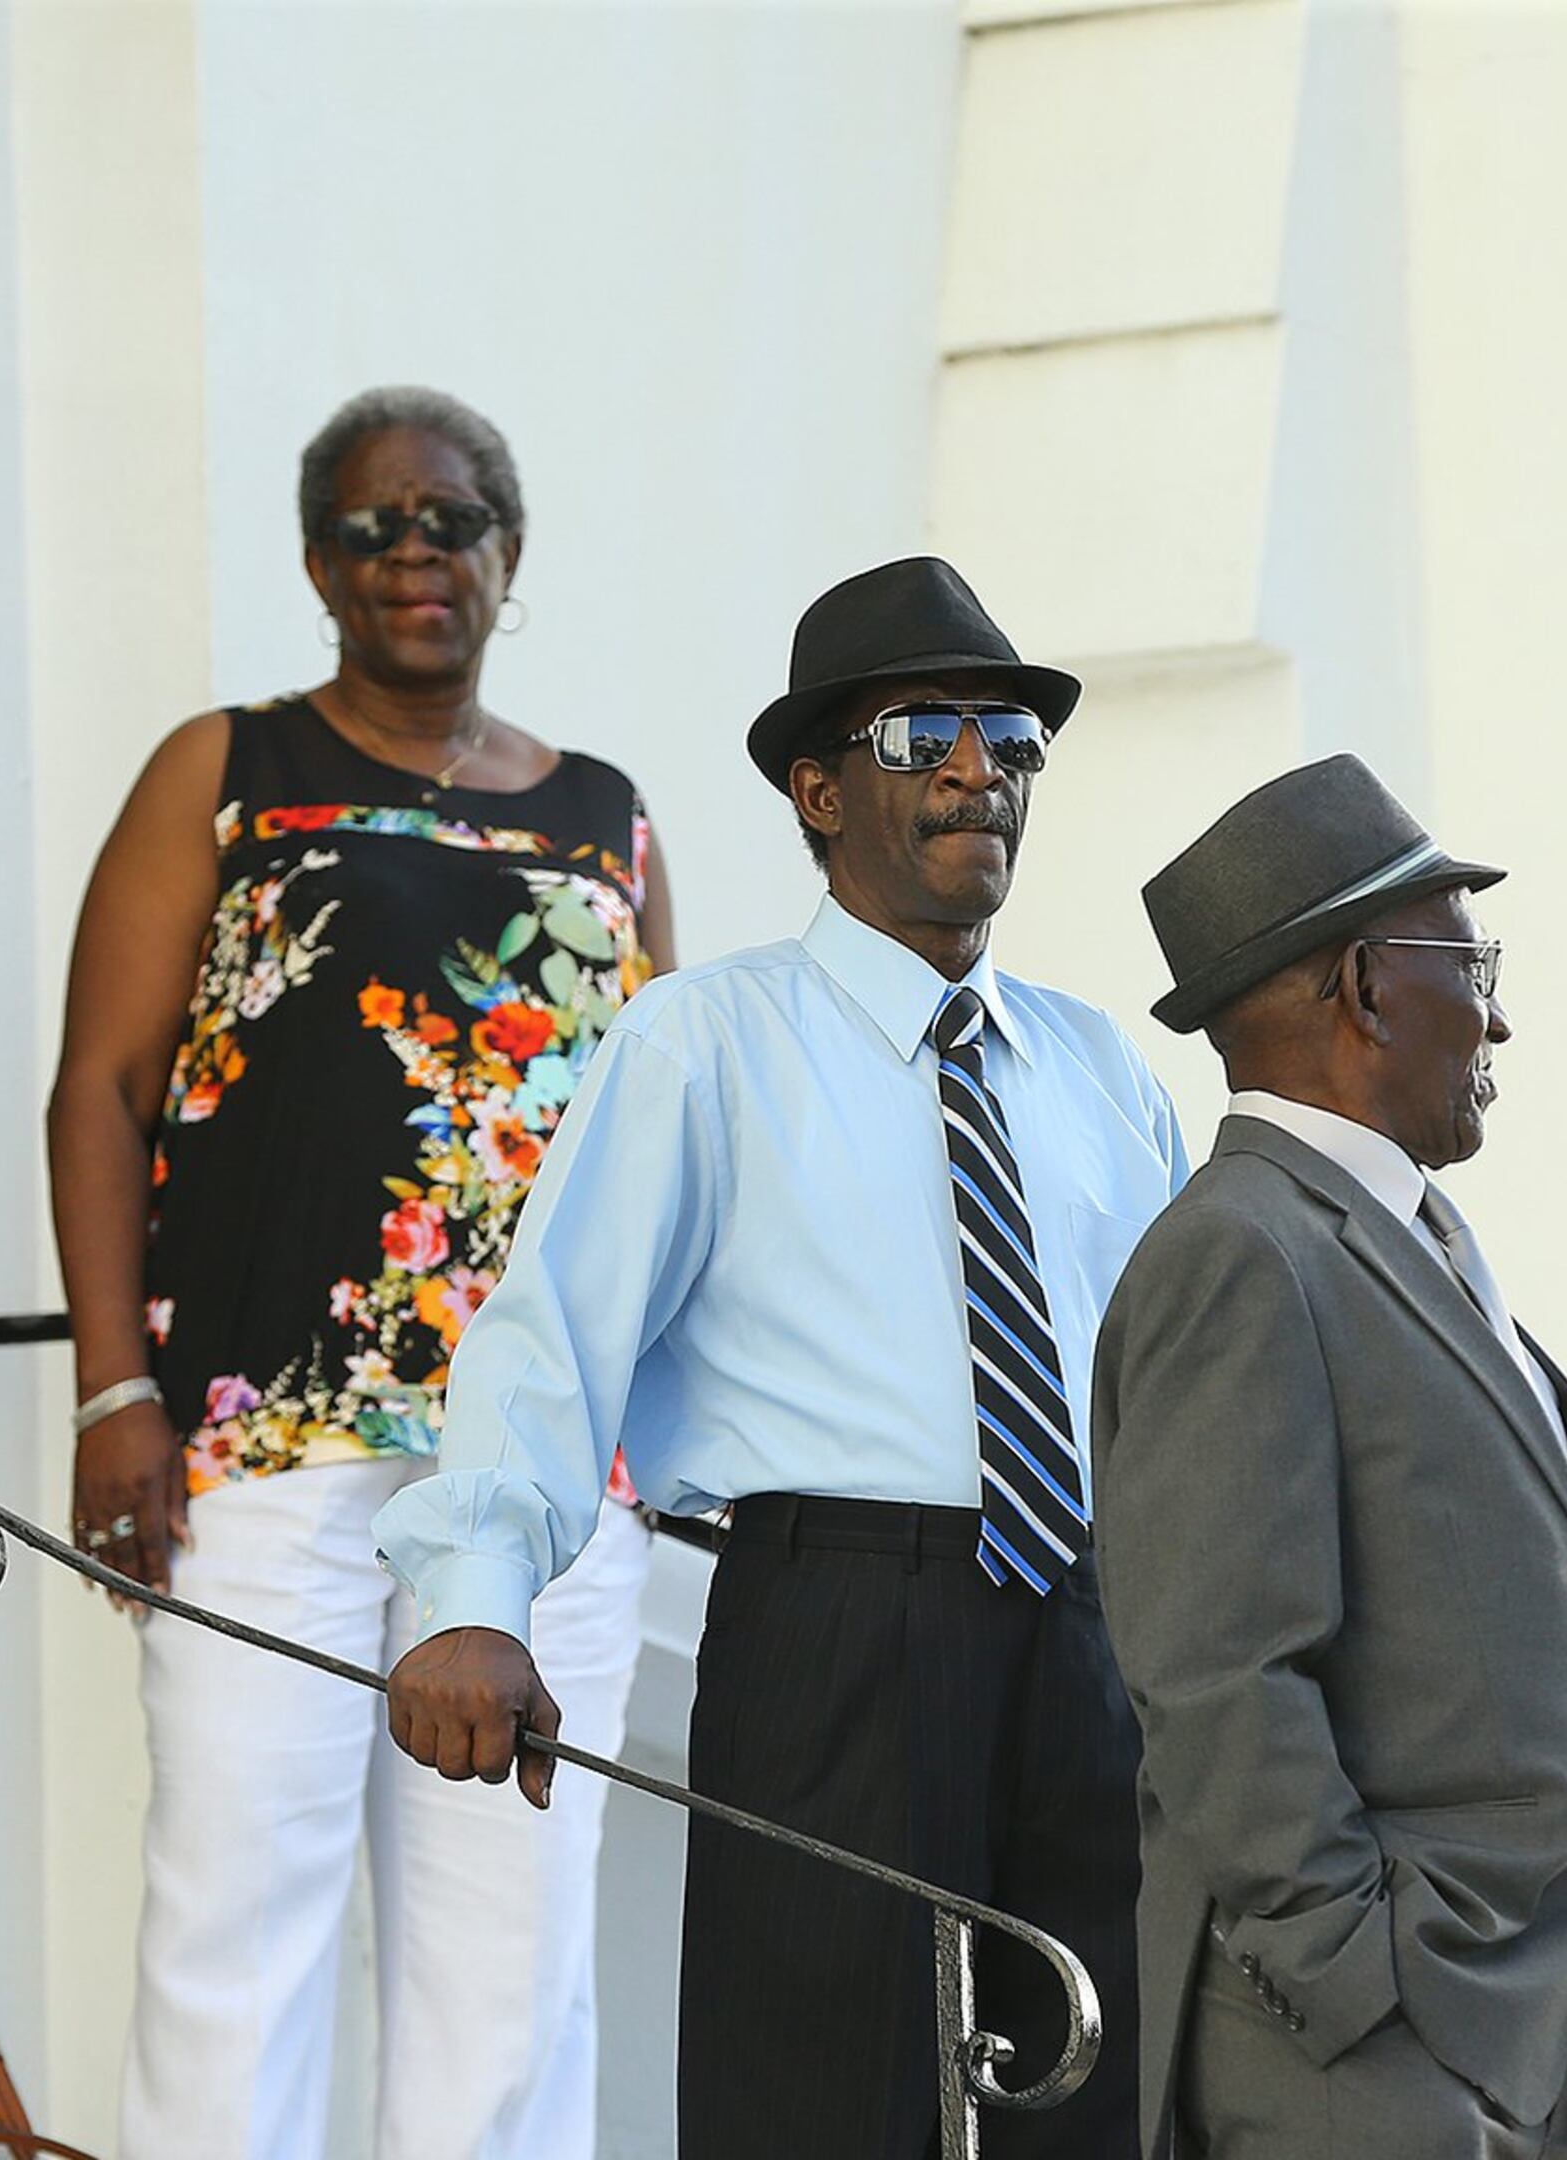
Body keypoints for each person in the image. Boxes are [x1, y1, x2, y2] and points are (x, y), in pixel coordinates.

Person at [375, 555, 1187, 2160]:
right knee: (823, 2102)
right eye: (926, 737)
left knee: (1101, 2102)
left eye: (1012, 741)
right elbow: (552, 1341)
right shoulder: (703, 1041)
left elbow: (1183, 1402)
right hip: (837, 1632)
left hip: (1099, 1641)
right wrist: (470, 1604)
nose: (980, 772)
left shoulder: (1102, 1069)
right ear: (818, 793)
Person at [45, 385, 675, 2160]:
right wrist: (116, 1390)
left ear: (508, 553)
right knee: (234, 1931)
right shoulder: (227, 770)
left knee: (513, 1959)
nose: (417, 554)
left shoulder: (610, 822)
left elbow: (656, 1167)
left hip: (544, 1474)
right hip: (266, 1444)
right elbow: (102, 1087)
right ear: (319, 563)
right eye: (375, 526)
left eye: (451, 520)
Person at [1089, 755, 1567, 2158]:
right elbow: (1219, 1676)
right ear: (1367, 985)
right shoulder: (1242, 1252)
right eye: (1472, 958)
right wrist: (1364, 1990)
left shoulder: (1388, 1239)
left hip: (1517, 2040)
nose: (1499, 1013)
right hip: (1371, 2061)